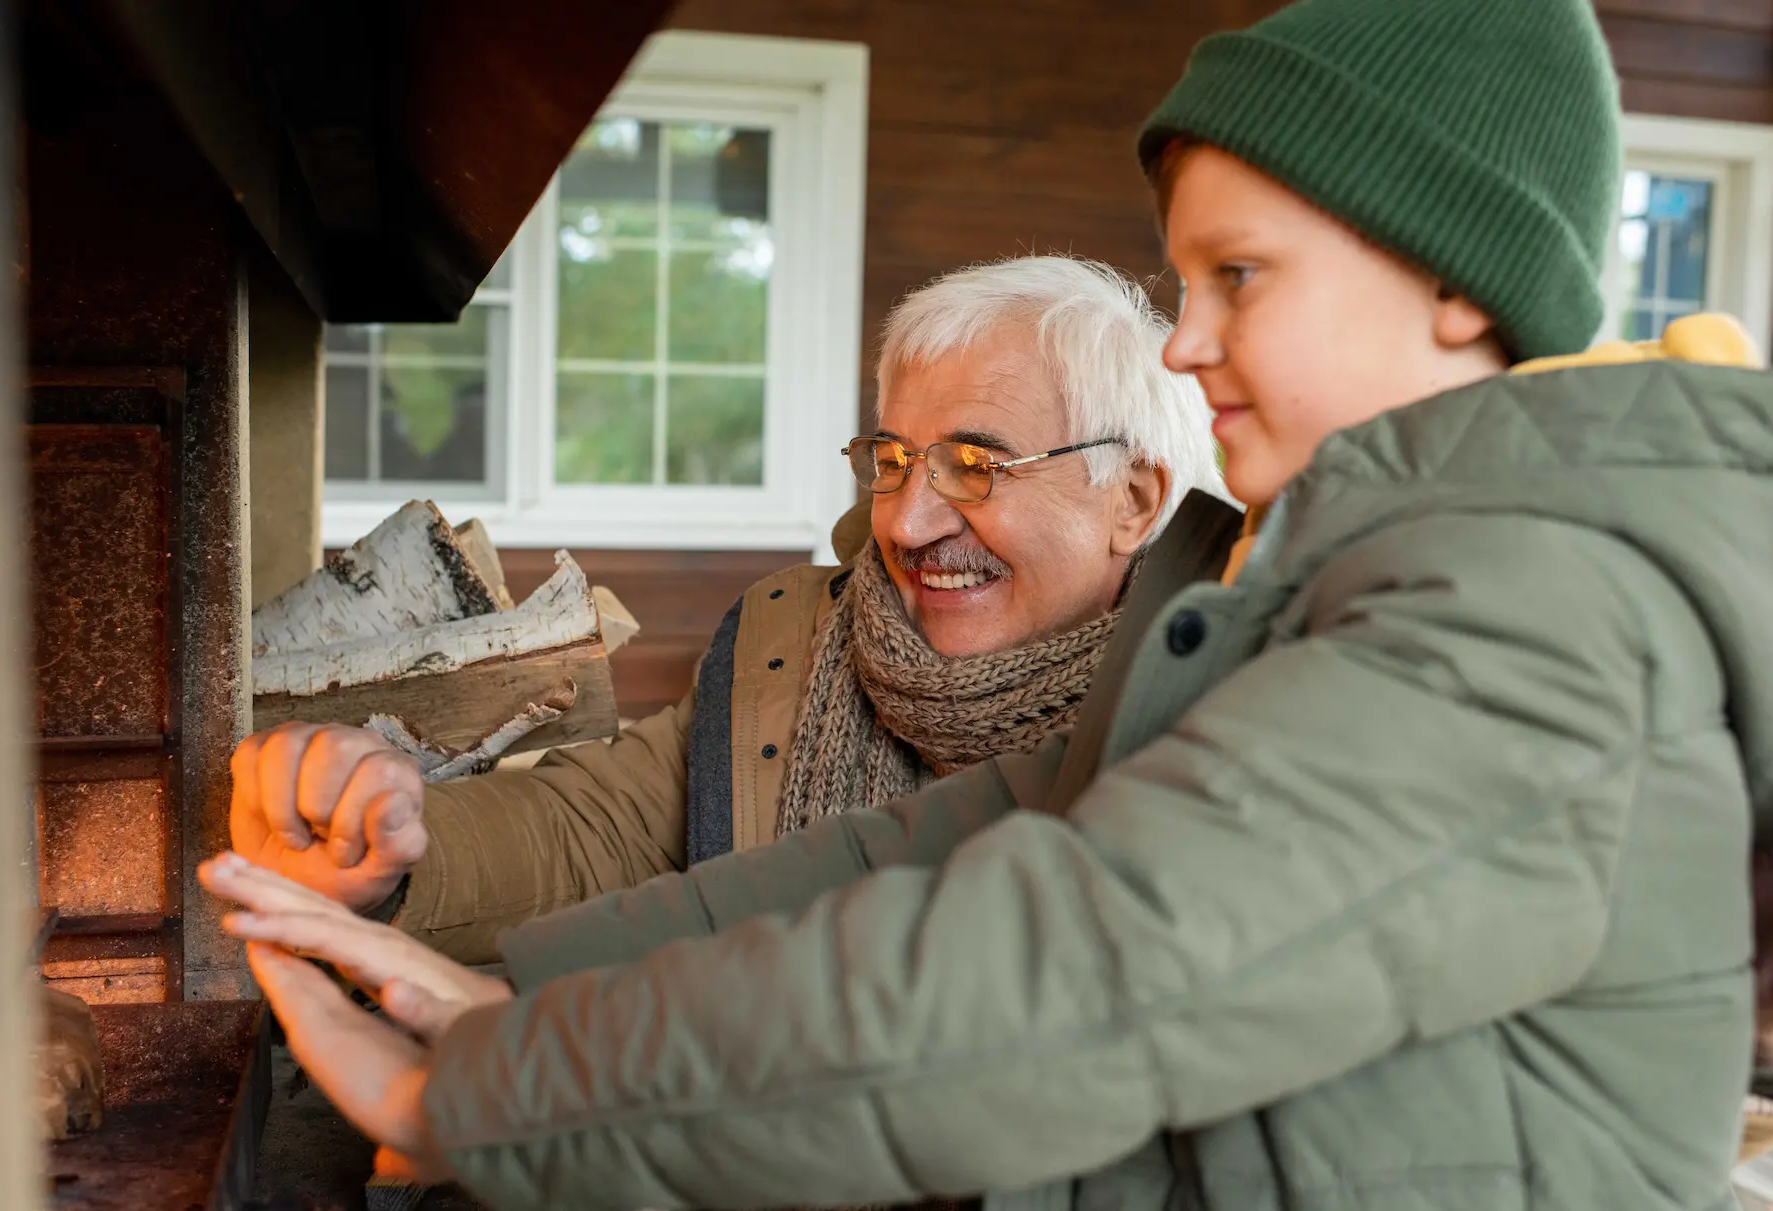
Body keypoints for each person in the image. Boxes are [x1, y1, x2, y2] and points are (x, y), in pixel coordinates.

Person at [204, 0, 1773, 1207]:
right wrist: (508, 993)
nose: (1186, 342)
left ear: (1456, 276)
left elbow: (1074, 962)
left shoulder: (1526, 607)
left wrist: (489, 1089)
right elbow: (942, 848)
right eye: (892, 457)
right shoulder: (1333, 590)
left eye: (1241, 277)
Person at [229, 254, 1230, 962]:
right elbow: (596, 830)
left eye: (974, 463)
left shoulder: (1227, 714)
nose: (911, 519)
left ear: (1132, 501)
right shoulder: (791, 641)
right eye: (891, 461)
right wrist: (396, 845)